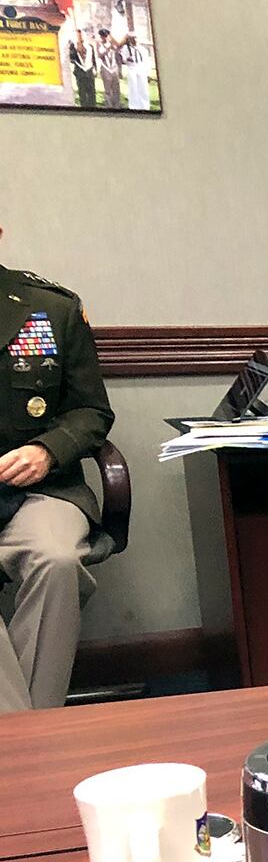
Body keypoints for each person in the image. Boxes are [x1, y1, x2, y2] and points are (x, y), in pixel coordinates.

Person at [1, 233, 115, 713]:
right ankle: (31, 746)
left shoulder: (49, 307)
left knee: (57, 560)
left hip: (39, 490)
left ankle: (26, 738)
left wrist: (47, 451)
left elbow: (91, 411)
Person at [66, 28, 96, 109]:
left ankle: (93, 107)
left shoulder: (90, 47)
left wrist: (94, 68)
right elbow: (72, 58)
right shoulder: (73, 47)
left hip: (89, 71)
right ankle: (84, 107)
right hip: (80, 71)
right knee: (82, 91)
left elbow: (93, 59)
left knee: (91, 91)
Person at [95, 27, 123, 112]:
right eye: (102, 36)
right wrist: (108, 48)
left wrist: (120, 69)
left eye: (106, 36)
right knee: (108, 88)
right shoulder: (99, 44)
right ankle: (109, 105)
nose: (104, 37)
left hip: (114, 68)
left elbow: (118, 55)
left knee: (116, 88)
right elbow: (100, 55)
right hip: (105, 67)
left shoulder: (112, 44)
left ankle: (117, 105)